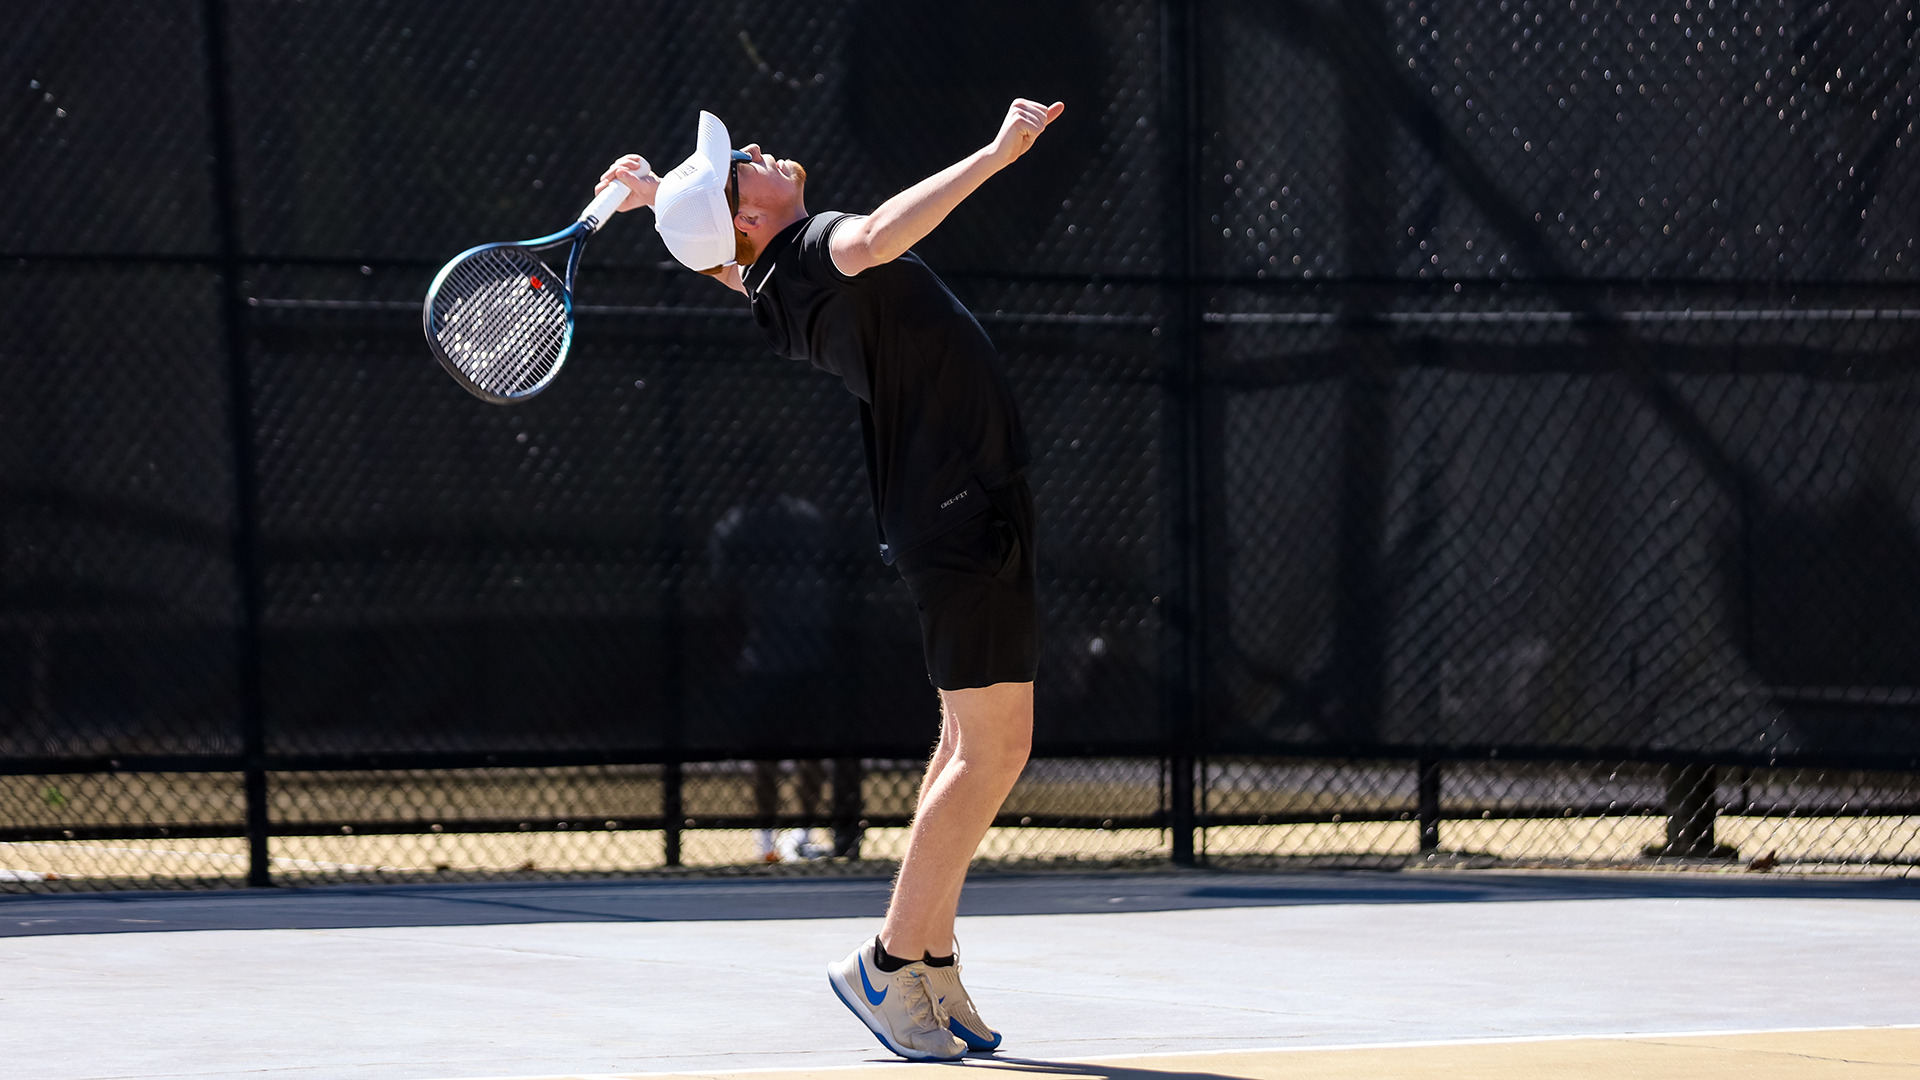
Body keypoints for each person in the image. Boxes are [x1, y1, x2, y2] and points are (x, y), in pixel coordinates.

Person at [595, 97, 1063, 1061]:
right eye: (741, 167)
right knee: (994, 751)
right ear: (754, 215)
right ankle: (889, 968)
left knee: (966, 744)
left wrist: (658, 205)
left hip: (952, 512)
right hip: (962, 514)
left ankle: (931, 963)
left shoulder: (775, 281)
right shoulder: (813, 247)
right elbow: (885, 230)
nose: (758, 150)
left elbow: (728, 268)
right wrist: (995, 151)